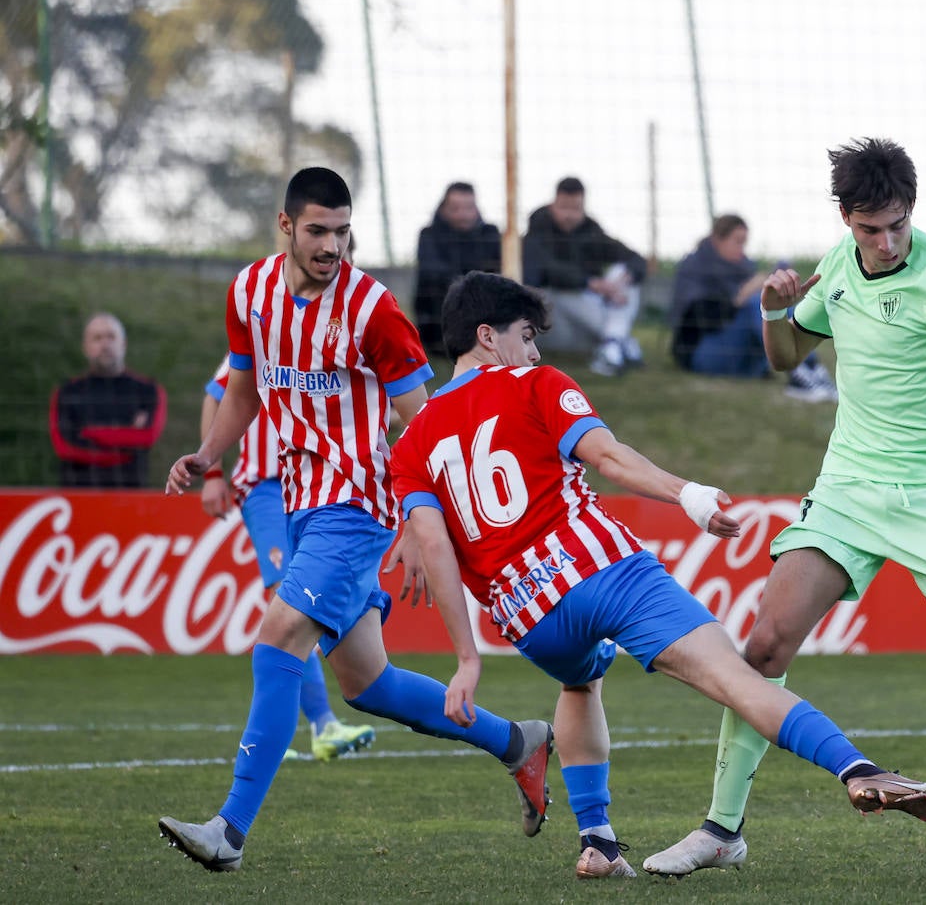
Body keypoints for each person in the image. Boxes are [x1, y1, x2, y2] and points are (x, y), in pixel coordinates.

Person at [390, 271, 926, 880]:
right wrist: (686, 493)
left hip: (529, 617)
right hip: (602, 569)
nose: (534, 351)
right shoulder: (536, 383)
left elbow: (433, 546)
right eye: (526, 335)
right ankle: (859, 771)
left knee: (581, 682)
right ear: (487, 335)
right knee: (737, 680)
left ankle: (599, 843)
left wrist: (466, 659)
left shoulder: (411, 443)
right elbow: (607, 456)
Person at [644, 137, 926, 877]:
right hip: (849, 490)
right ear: (845, 219)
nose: (887, 241)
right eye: (871, 228)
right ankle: (721, 829)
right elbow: (784, 360)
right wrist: (774, 314)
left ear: (911, 212)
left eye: (897, 224)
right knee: (765, 646)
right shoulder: (836, 265)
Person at [158, 168, 552, 873]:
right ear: (285, 226)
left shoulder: (374, 311)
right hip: (301, 501)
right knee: (368, 685)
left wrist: (414, 524)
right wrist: (208, 453)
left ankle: (230, 832)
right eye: (317, 231)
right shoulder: (249, 293)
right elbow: (244, 389)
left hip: (358, 503)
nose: (332, 246)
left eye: (342, 232)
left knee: (277, 638)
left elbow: (428, 427)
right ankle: (518, 742)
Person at [202, 353, 378, 762]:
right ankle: (322, 724)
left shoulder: (332, 337)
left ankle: (308, 725)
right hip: (266, 486)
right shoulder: (258, 334)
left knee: (306, 603)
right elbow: (216, 395)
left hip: (316, 490)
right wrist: (211, 472)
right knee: (291, 599)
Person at [670, 214, 838, 402]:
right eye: (738, 242)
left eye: (745, 243)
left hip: (745, 359)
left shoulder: (741, 267)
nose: (742, 250)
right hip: (702, 354)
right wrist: (740, 297)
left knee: (774, 300)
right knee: (756, 302)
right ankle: (800, 374)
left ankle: (811, 369)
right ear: (717, 240)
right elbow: (696, 318)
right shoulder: (695, 266)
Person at [522, 176, 647, 376]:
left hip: (591, 312)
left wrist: (619, 282)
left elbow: (636, 260)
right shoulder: (537, 230)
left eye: (576, 208)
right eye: (564, 207)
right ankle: (618, 340)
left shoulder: (591, 231)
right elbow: (545, 270)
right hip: (554, 318)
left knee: (623, 272)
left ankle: (612, 343)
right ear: (553, 204)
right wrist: (591, 283)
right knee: (557, 292)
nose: (569, 215)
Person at [49, 312, 167, 487]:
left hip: (130, 494)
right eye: (97, 338)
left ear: (123, 344)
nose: (105, 344)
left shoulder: (148, 390)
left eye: (111, 337)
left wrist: (88, 434)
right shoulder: (67, 392)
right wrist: (125, 445)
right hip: (77, 494)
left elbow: (146, 436)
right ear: (85, 347)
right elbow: (64, 446)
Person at [414, 182, 502, 356]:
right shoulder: (429, 234)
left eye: (468, 207)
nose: (462, 214)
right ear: (444, 209)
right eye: (455, 208)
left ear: (476, 208)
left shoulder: (490, 234)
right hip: (440, 311)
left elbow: (497, 271)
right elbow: (431, 272)